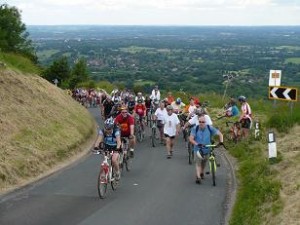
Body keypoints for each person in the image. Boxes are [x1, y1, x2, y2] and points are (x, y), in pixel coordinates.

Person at [189, 114, 224, 184]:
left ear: (205, 122)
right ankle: (198, 177)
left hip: (207, 148)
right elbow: (191, 138)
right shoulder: (195, 128)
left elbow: (220, 134)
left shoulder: (209, 128)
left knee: (204, 163)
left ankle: (201, 172)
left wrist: (221, 142)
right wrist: (197, 144)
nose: (201, 123)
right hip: (198, 149)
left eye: (203, 122)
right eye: (200, 122)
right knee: (198, 163)